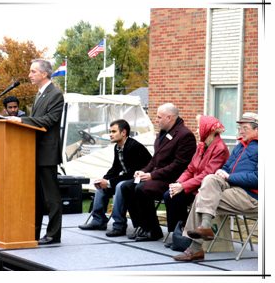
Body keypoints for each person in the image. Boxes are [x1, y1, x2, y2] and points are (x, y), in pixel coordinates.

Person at [173, 112, 258, 261]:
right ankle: (203, 231)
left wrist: (229, 177)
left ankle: (195, 248)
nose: (241, 131)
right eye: (240, 128)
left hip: (251, 196)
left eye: (245, 128)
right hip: (232, 189)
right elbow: (227, 167)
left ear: (258, 129)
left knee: (201, 196)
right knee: (210, 178)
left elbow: (259, 178)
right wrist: (222, 171)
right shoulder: (239, 147)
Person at [121, 103, 197, 241]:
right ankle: (142, 227)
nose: (155, 120)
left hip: (172, 180)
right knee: (127, 186)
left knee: (142, 188)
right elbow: (155, 159)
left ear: (169, 118)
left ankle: (154, 230)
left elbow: (179, 165)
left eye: (158, 117)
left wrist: (151, 175)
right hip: (158, 177)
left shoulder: (185, 135)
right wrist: (142, 171)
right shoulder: (162, 133)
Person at [9, 59, 64, 245]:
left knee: (51, 197)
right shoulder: (39, 94)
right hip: (33, 152)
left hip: (47, 154)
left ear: (44, 74)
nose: (29, 75)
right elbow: (38, 119)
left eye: (33, 71)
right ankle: (34, 232)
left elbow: (49, 119)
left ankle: (53, 234)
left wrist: (22, 121)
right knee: (37, 198)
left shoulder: (55, 94)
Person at [78, 119, 152, 236]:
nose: (110, 134)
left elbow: (132, 173)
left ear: (124, 133)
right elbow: (115, 169)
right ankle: (98, 220)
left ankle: (119, 225)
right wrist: (103, 181)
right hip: (129, 178)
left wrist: (109, 182)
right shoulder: (117, 147)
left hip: (142, 179)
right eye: (110, 131)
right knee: (102, 187)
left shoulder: (134, 147)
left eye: (113, 131)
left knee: (119, 186)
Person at [163, 115, 229, 243]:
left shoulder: (219, 148)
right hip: (194, 186)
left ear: (207, 129)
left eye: (199, 128)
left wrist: (183, 186)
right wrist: (178, 183)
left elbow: (207, 174)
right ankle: (176, 233)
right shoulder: (202, 145)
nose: (197, 131)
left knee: (178, 196)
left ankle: (184, 233)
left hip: (207, 189)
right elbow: (190, 169)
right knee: (170, 194)